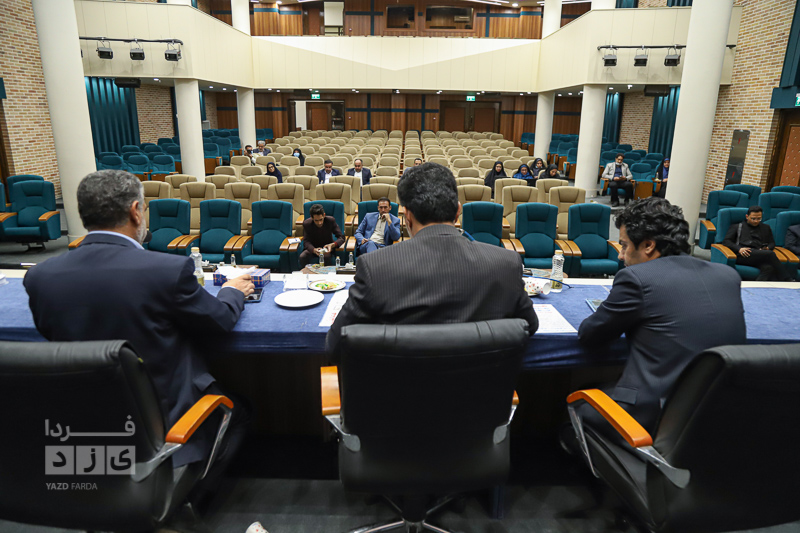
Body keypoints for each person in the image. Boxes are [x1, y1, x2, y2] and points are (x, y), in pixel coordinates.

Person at [24, 169, 255, 513]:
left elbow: (51, 336)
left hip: (80, 428)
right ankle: (187, 501)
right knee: (239, 410)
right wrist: (232, 291)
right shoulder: (166, 271)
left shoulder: (40, 276)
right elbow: (219, 320)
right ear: (135, 211)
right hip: (160, 424)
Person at [326, 162, 539, 358]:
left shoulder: (375, 267)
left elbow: (334, 345)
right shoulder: (506, 264)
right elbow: (529, 327)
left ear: (407, 217)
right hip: (483, 386)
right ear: (458, 211)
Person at [576, 197, 745, 439]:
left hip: (651, 415)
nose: (621, 256)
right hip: (717, 414)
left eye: (624, 246)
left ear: (648, 245)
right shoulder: (728, 276)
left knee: (577, 405)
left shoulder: (637, 278)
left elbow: (590, 336)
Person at [722, 205, 789, 281]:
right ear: (747, 216)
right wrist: (739, 249)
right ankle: (787, 279)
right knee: (770, 254)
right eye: (753, 218)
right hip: (743, 255)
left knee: (768, 268)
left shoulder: (766, 227)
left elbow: (772, 243)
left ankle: (756, 286)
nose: (756, 221)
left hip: (759, 254)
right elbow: (726, 241)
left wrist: (767, 248)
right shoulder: (737, 227)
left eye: (759, 218)